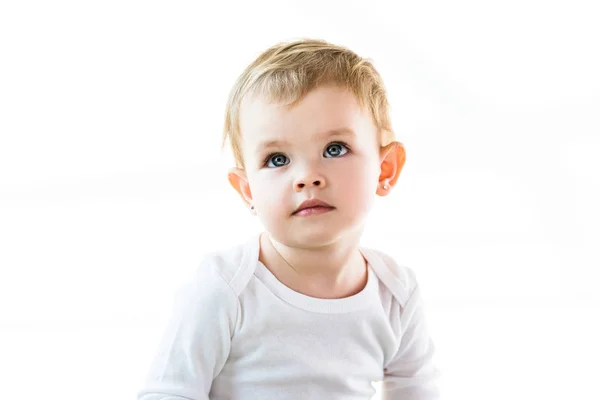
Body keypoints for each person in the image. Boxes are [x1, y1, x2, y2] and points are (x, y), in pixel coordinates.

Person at [137, 38, 441, 400]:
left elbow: (417, 389)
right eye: (278, 159)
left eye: (335, 149)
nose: (307, 176)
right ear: (247, 190)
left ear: (385, 169)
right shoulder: (225, 288)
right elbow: (169, 393)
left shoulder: (395, 294)